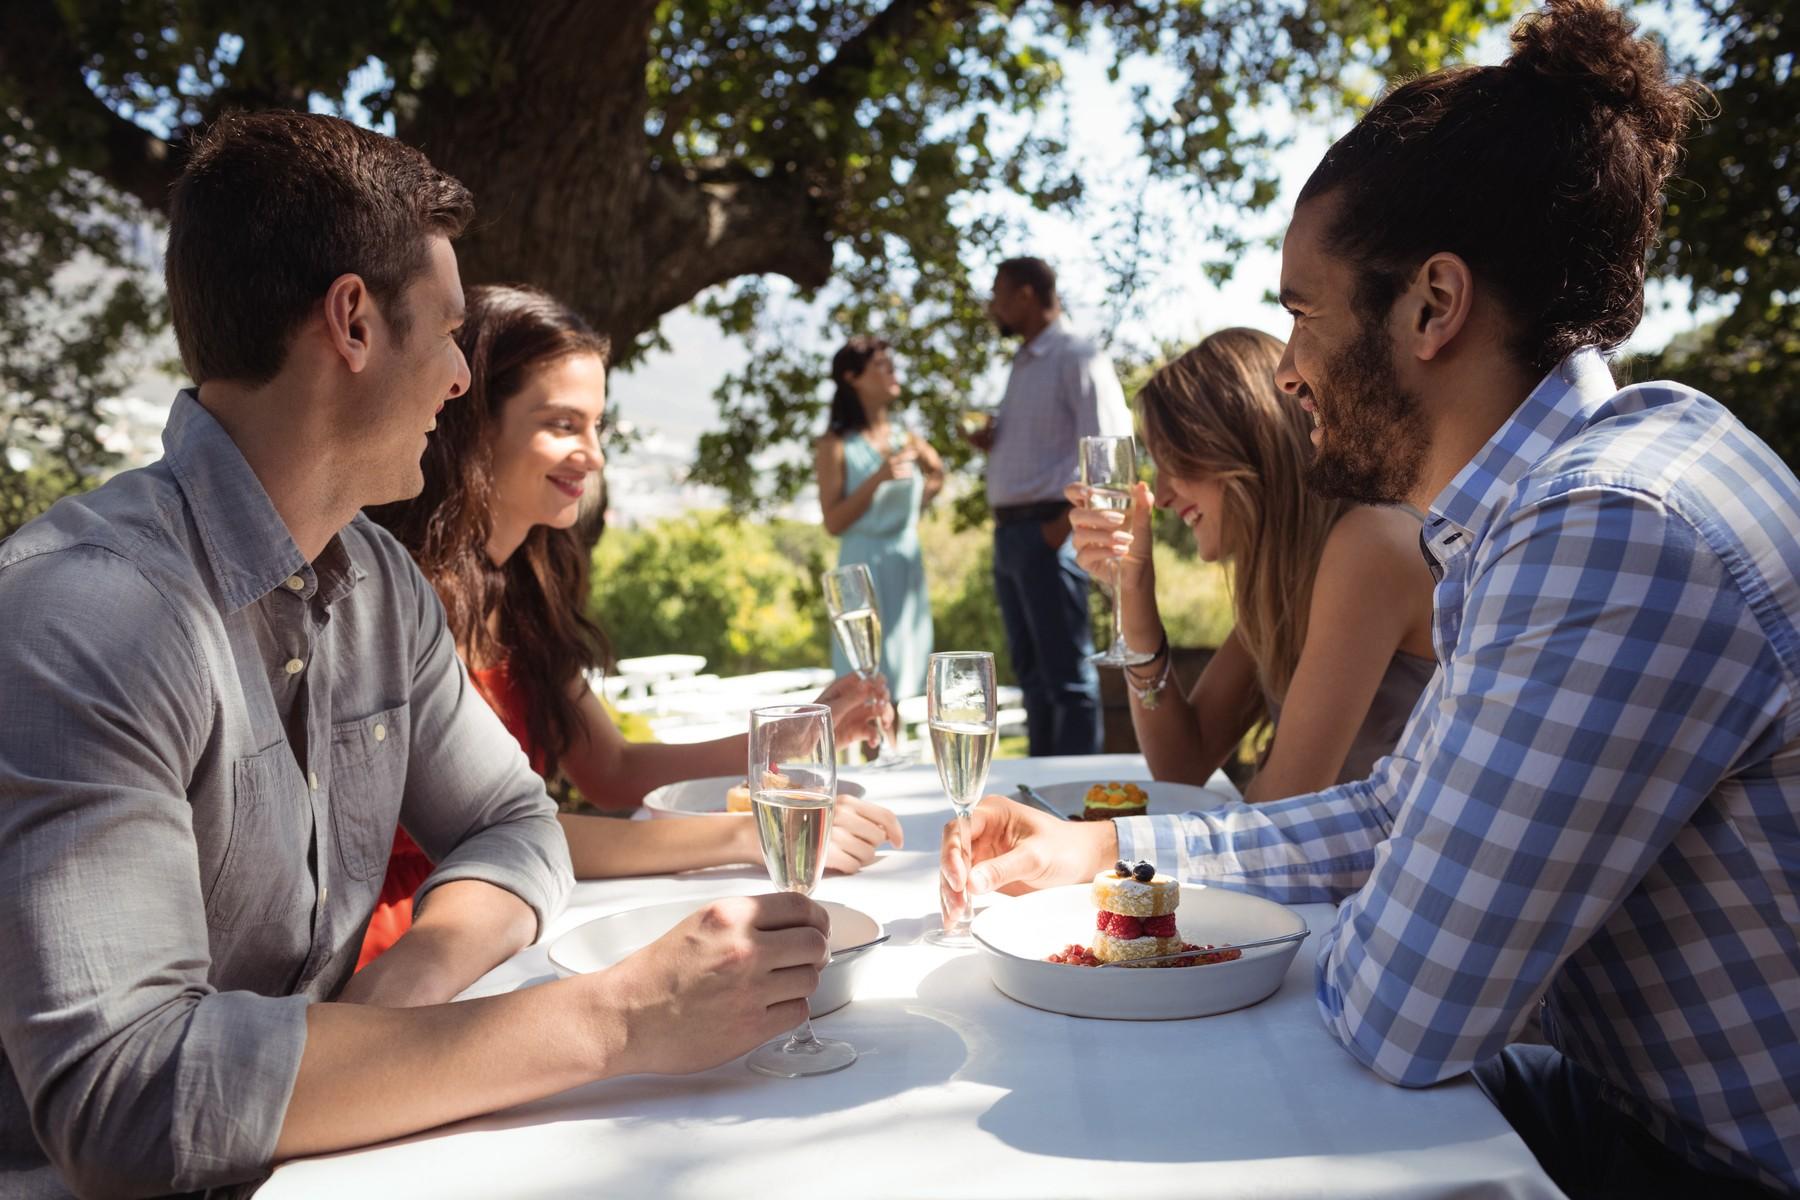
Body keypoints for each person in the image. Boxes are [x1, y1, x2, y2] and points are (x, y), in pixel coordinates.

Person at [943, 4, 1799, 1196]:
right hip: (1623, 1100)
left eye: (1302, 309)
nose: (1286, 362)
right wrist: (1105, 851)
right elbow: (1393, 811)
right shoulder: (1565, 498)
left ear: (1432, 306)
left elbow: (1405, 1012)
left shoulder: (1612, 528)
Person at [0, 112, 830, 1199]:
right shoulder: (86, 614)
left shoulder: (380, 589)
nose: (455, 380)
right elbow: (129, 1101)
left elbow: (515, 819)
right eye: (445, 334)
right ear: (352, 321)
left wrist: (390, 1004)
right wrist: (616, 1017)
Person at [358, 285, 904, 967]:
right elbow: (510, 834)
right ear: (474, 424)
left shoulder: (524, 589)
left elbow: (610, 770)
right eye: (562, 424)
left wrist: (785, 742)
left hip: (507, 929)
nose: (592, 455)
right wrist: (751, 831)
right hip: (414, 952)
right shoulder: (403, 597)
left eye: (597, 427)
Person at [1066, 328, 1436, 799]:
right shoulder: (1288, 579)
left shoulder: (1370, 544)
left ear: (1245, 447)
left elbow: (1277, 809)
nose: (1159, 496)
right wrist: (1133, 592)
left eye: (1176, 461)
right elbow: (1183, 765)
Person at [968, 256, 1133, 755]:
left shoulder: (1076, 355)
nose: (991, 305)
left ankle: (1075, 793)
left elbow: (1111, 442)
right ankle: (1039, 793)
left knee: (1068, 679)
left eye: (998, 292)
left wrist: (1059, 530)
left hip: (1046, 534)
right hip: (1011, 536)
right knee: (1033, 680)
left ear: (1025, 294)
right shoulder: (1024, 361)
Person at [814, 335, 942, 700]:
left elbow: (937, 473)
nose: (892, 371)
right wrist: (878, 480)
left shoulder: (907, 437)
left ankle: (893, 754)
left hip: (905, 562)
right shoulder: (834, 445)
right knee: (864, 684)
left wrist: (914, 507)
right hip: (860, 569)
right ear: (852, 378)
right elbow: (834, 522)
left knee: (901, 679)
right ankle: (876, 754)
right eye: (880, 365)